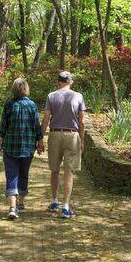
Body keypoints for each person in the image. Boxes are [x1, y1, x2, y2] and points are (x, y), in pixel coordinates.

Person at [42, 70, 86, 219]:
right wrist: (82, 139)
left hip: (55, 134)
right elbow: (82, 121)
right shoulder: (78, 96)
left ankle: (54, 201)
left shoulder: (51, 96)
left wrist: (40, 138)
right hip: (72, 135)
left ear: (58, 82)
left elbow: (46, 118)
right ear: (71, 82)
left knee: (54, 170)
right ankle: (65, 206)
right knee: (69, 172)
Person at [0, 77, 42, 220]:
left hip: (10, 146)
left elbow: (3, 125)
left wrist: (1, 139)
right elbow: (37, 126)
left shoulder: (9, 105)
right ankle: (20, 204)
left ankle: (12, 208)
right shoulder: (32, 105)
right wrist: (40, 142)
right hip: (28, 147)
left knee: (11, 175)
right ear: (26, 89)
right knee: (24, 174)